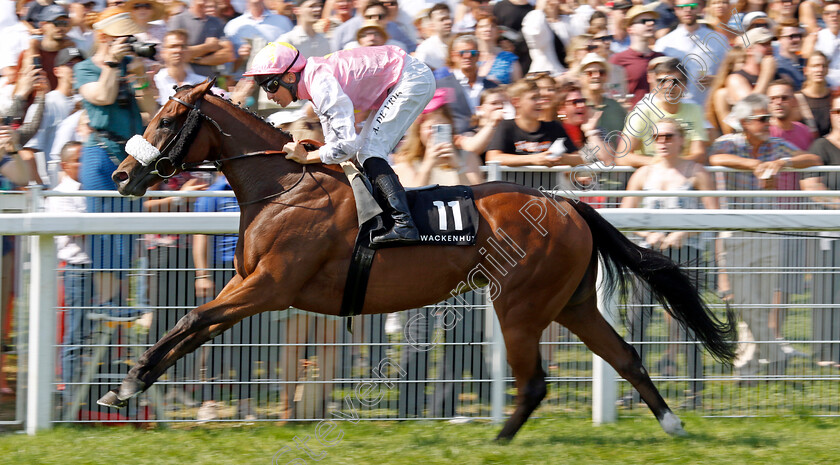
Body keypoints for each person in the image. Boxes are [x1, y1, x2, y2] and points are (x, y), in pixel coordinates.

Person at [243, 42, 435, 245]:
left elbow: (346, 145)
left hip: (411, 78)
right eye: (264, 88)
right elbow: (337, 146)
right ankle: (384, 217)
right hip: (398, 80)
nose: (269, 95)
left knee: (370, 152)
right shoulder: (313, 86)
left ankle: (404, 224)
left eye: (270, 86)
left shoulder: (320, 84)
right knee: (364, 153)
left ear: (290, 77)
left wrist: (307, 157)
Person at [709, 94, 822, 378]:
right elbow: (716, 156)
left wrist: (783, 163)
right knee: (745, 302)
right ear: (745, 122)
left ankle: (746, 369)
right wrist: (755, 166)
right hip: (736, 232)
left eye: (768, 118)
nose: (767, 123)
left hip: (768, 231)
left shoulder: (776, 145)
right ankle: (774, 354)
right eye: (761, 119)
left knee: (758, 302)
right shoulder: (729, 142)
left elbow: (813, 158)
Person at [619, 127, 717, 407]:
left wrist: (684, 232)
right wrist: (647, 235)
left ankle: (695, 394)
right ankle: (638, 390)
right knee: (637, 322)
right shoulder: (642, 174)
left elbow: (715, 214)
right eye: (657, 137)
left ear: (682, 140)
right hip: (649, 254)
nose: (662, 141)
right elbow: (624, 216)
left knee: (689, 324)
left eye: (669, 136)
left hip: (687, 254)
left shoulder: (697, 172)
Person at [46, 141, 91, 408]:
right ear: (65, 165)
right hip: (77, 272)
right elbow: (76, 230)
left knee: (91, 334)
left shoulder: (89, 189)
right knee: (75, 335)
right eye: (79, 160)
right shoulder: (61, 193)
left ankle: (83, 398)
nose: (84, 166)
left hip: (93, 271)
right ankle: (71, 398)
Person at [802, 94, 840, 369]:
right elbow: (812, 187)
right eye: (838, 111)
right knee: (827, 291)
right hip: (829, 233)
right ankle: (826, 351)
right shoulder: (821, 146)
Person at [617, 56, 709, 167]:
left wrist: (674, 163)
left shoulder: (694, 110)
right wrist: (660, 163)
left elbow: (700, 154)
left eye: (675, 81)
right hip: (651, 176)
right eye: (662, 81)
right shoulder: (642, 111)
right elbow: (622, 157)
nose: (669, 86)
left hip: (684, 176)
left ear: (685, 85)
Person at [393, 89, 483, 186]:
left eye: (442, 127)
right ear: (419, 131)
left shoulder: (468, 157)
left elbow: (477, 197)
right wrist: (427, 166)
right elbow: (411, 198)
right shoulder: (407, 162)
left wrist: (459, 167)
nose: (435, 133)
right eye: (430, 128)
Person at [653, 0, 728, 106]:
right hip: (675, 108)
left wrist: (717, 80)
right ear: (676, 10)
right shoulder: (664, 43)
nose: (687, 10)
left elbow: (730, 70)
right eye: (682, 7)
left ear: (700, 8)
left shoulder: (719, 39)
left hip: (708, 108)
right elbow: (656, 79)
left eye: (692, 6)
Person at [608, 3, 663, 107]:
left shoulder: (661, 58)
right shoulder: (618, 60)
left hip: (659, 118)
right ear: (630, 29)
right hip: (632, 118)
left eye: (653, 21)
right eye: (644, 21)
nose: (650, 23)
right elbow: (612, 93)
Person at [167, 0, 234, 79]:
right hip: (185, 82)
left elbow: (228, 55)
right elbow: (176, 52)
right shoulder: (178, 20)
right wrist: (208, 47)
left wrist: (197, 59)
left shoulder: (216, 22)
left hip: (210, 82)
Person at [725, 27, 779, 105]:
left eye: (770, 44)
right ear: (749, 50)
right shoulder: (736, 79)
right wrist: (767, 73)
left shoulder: (778, 74)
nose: (770, 48)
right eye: (764, 44)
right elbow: (750, 106)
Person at [578, 52, 626, 136]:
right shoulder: (577, 106)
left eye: (601, 72)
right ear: (581, 78)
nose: (596, 76)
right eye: (590, 73)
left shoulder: (616, 107)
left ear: (607, 77)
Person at [153, 29, 206, 104]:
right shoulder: (155, 82)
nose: (178, 50)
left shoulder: (202, 83)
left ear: (188, 52)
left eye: (183, 46)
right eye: (173, 46)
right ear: (163, 52)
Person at [521, 0, 570, 75]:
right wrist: (539, 9)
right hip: (543, 72)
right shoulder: (533, 19)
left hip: (563, 71)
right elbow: (534, 33)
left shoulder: (568, 21)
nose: (551, 3)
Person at [475, 15, 522, 85]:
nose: (488, 29)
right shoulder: (470, 55)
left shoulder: (509, 58)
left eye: (492, 26)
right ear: (476, 31)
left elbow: (518, 86)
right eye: (482, 26)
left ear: (498, 31)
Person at [796, 52, 832, 137]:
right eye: (815, 66)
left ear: (827, 70)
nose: (820, 69)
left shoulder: (834, 98)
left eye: (824, 66)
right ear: (806, 70)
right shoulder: (796, 99)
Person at [414, 3, 453, 70]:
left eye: (448, 18)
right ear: (432, 24)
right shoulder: (425, 48)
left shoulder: (461, 41)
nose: (448, 22)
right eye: (442, 19)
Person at [774, 19, 806, 90]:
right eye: (791, 36)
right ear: (780, 39)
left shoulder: (806, 63)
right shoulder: (777, 67)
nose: (797, 39)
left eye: (799, 35)